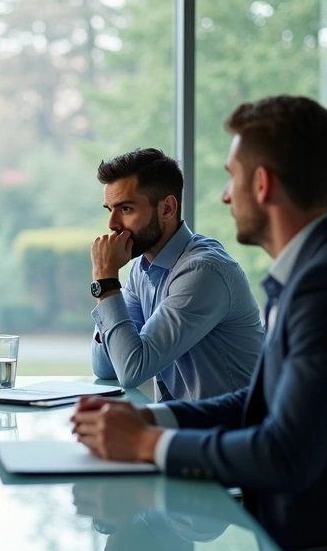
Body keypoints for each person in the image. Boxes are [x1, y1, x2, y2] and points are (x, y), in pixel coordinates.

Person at [71, 96, 327, 551]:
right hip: (306, 532)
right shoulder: (317, 270)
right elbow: (260, 403)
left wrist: (148, 444)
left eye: (232, 178)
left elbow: (283, 454)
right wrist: (152, 420)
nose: (225, 196)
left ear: (262, 184)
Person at [89, 147, 263, 402]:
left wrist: (105, 280)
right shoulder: (142, 269)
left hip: (231, 424)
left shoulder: (203, 271)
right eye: (110, 209)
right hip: (183, 421)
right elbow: (106, 368)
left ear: (167, 208)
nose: (112, 224)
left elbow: (132, 370)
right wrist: (107, 291)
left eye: (125, 209)